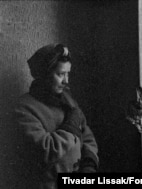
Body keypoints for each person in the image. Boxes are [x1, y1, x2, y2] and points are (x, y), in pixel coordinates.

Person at [13, 44, 99, 189]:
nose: (66, 81)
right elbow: (45, 149)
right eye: (60, 74)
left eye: (68, 73)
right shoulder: (23, 107)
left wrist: (88, 167)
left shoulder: (69, 101)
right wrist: (70, 126)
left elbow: (88, 138)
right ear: (44, 75)